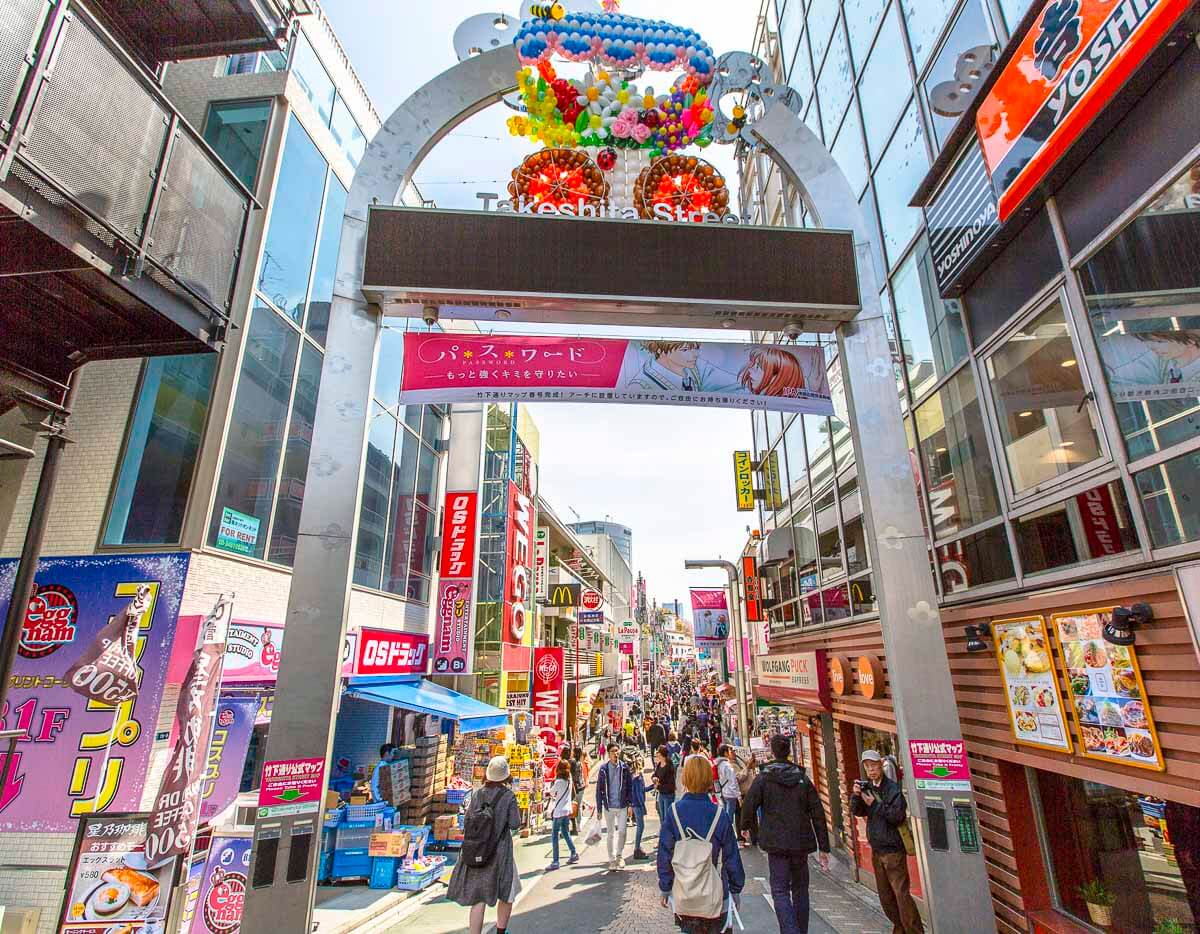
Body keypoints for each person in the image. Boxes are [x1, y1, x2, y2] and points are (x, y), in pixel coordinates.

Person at [742, 735, 831, 934]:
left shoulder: (764, 778)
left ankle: (791, 930)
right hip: (800, 842)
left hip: (775, 843)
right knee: (800, 890)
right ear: (789, 752)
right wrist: (824, 847)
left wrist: (745, 826)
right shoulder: (802, 779)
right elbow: (818, 813)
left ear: (772, 752)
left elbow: (749, 803)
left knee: (780, 890)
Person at [657, 756, 745, 934]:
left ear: (685, 778)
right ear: (708, 779)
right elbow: (731, 856)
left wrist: (665, 887)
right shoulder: (719, 814)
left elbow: (665, 853)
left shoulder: (673, 812)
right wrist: (735, 889)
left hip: (685, 894)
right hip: (716, 894)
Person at [851, 750, 924, 934]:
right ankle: (900, 928)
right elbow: (858, 811)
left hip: (893, 851)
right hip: (877, 850)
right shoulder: (868, 787)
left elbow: (897, 816)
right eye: (867, 766)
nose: (871, 770)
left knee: (901, 894)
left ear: (881, 765)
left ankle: (914, 931)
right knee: (886, 897)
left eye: (874, 765)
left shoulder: (893, 789)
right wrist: (856, 796)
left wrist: (875, 805)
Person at [448, 756, 522, 934]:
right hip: (500, 852)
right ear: (505, 776)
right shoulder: (508, 796)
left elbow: (467, 821)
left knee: (478, 899)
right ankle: (501, 931)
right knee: (507, 892)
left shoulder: (477, 794)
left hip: (477, 850)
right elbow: (515, 823)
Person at [596, 744, 633, 870]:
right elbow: (599, 789)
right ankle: (611, 859)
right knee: (610, 833)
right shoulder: (603, 769)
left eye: (617, 751)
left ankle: (619, 855)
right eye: (613, 751)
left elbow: (630, 787)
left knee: (622, 831)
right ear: (608, 753)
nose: (615, 753)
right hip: (609, 806)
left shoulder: (625, 768)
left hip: (622, 805)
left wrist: (630, 804)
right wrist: (599, 809)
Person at [546, 759, 580, 870]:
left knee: (555, 836)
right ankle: (573, 853)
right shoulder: (569, 780)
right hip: (567, 811)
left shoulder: (558, 782)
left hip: (559, 812)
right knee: (565, 832)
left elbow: (551, 793)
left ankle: (555, 861)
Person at [716, 745, 741, 826]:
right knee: (729, 819)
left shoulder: (718, 763)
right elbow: (733, 782)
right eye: (729, 751)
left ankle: (723, 829)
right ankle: (726, 831)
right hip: (730, 794)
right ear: (725, 753)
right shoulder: (727, 765)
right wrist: (739, 797)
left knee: (725, 816)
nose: (730, 753)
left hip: (723, 792)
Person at [653, 744, 677, 827]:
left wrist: (658, 786)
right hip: (661, 794)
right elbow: (655, 774)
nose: (656, 754)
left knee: (667, 818)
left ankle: (668, 833)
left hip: (668, 795)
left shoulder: (669, 767)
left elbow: (671, 785)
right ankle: (664, 831)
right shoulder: (659, 764)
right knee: (662, 817)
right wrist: (654, 778)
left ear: (661, 754)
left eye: (658, 752)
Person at [631, 755, 649, 860]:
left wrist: (653, 786)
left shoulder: (635, 776)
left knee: (640, 826)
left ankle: (637, 847)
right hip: (638, 804)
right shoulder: (638, 777)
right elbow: (639, 793)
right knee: (640, 827)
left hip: (635, 804)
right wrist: (643, 806)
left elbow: (642, 790)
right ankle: (637, 848)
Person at [569, 746, 585, 834]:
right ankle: (579, 825)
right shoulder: (580, 762)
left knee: (574, 805)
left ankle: (575, 825)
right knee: (579, 805)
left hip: (575, 786)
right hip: (581, 786)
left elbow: (573, 776)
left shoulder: (573, 762)